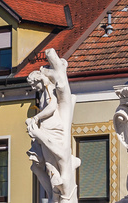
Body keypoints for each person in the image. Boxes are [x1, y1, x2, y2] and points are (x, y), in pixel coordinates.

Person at [26, 49, 79, 203]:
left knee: (53, 163)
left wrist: (36, 117)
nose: (34, 88)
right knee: (48, 165)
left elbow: (51, 107)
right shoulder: (44, 91)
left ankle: (59, 194)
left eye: (33, 84)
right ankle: (54, 196)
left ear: (39, 79)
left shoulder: (49, 89)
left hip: (52, 128)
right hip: (47, 128)